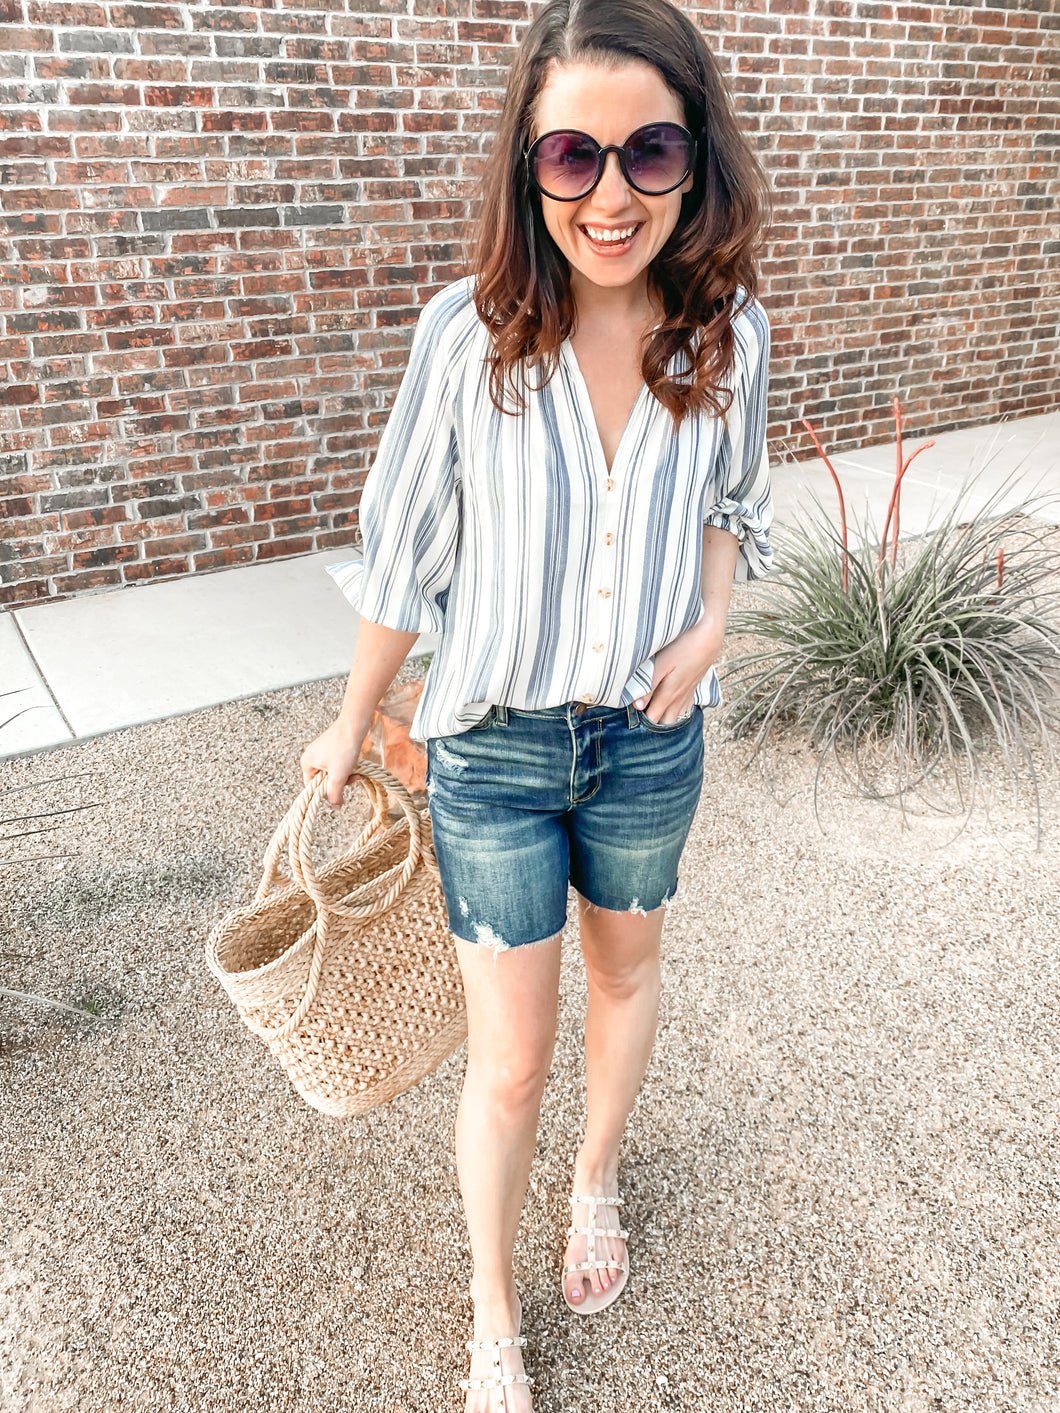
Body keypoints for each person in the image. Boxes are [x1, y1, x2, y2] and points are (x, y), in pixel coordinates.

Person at [301, 0, 773, 1404]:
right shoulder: (469, 337)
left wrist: (712, 623)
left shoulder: (725, 329)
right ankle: (493, 1313)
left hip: (647, 744)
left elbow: (733, 506)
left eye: (650, 152)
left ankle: (597, 1181)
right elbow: (404, 552)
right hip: (494, 753)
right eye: (574, 157)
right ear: (528, 163)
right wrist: (348, 718)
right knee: (507, 1063)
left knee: (629, 974)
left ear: (697, 161)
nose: (612, 194)